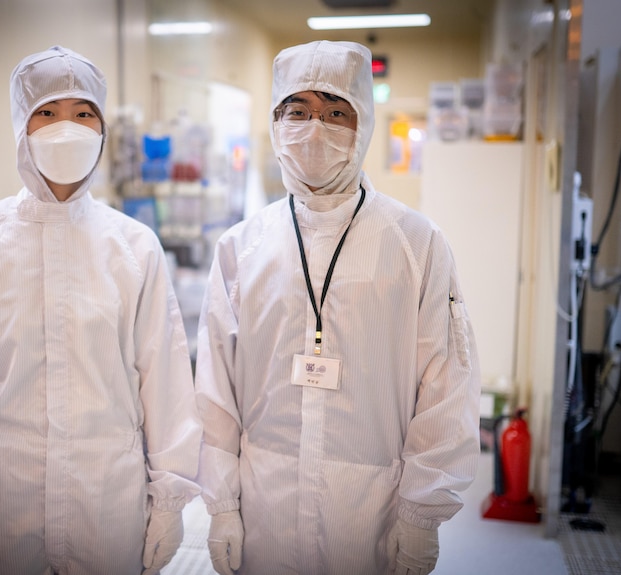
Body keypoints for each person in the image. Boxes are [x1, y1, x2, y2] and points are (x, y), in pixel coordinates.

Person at [195, 40, 481, 575]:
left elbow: (446, 385)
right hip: (265, 506)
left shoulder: (415, 243)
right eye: (297, 112)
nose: (315, 129)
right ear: (277, 123)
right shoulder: (241, 247)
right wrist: (222, 508)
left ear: (363, 124)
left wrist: (420, 516)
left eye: (335, 112)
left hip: (373, 510)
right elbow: (216, 390)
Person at [0, 45, 201, 575]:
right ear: (21, 126)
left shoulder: (134, 248)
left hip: (108, 496)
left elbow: (163, 383)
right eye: (47, 112)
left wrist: (169, 503)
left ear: (102, 129)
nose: (65, 127)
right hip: (2, 496)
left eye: (83, 113)